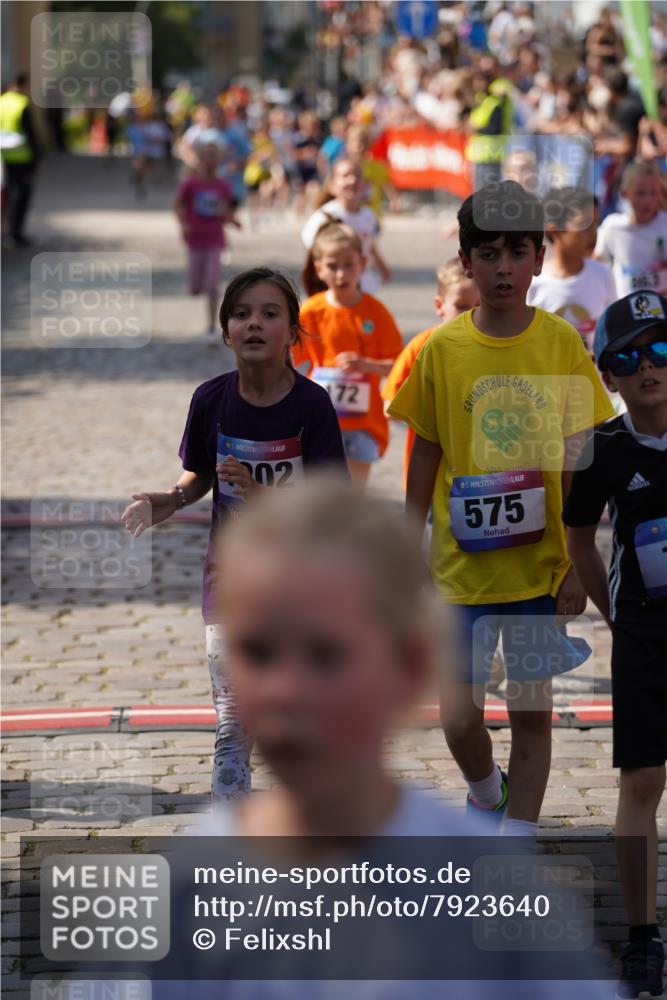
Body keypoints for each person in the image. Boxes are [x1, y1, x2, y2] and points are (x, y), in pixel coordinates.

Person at [152, 479, 615, 1000]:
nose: (287, 690)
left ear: (411, 667)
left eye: (327, 654)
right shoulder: (185, 891)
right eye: (257, 652)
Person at [388, 181, 615, 836]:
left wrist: (578, 560)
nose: (503, 268)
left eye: (517, 252)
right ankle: (486, 788)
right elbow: (424, 452)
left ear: (539, 259)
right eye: (487, 254)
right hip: (458, 572)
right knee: (459, 719)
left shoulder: (561, 346)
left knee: (530, 716)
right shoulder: (439, 351)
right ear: (465, 262)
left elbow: (579, 456)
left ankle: (513, 846)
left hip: (538, 572)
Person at [121, 268, 347, 802]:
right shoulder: (210, 400)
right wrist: (169, 501)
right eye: (242, 314)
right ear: (225, 331)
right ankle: (234, 829)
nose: (254, 324)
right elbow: (200, 473)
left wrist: (263, 495)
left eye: (270, 314)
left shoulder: (311, 406)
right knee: (232, 719)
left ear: (293, 332)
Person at [564, 290, 667, 1000]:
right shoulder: (597, 449)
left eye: (660, 349)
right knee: (640, 781)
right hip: (644, 633)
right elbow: (577, 538)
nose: (647, 369)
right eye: (627, 358)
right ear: (609, 377)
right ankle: (640, 936)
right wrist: (612, 613)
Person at [297, 223, 403, 489]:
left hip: (363, 423)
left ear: (363, 264)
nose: (341, 273)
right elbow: (290, 364)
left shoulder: (376, 313)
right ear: (318, 267)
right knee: (321, 495)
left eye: (349, 264)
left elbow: (399, 366)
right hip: (319, 421)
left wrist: (366, 365)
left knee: (353, 496)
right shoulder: (310, 312)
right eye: (333, 266)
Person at [383, 258, 479, 486]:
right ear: (439, 306)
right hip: (431, 477)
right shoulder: (422, 346)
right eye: (462, 306)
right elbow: (390, 408)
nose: (471, 315)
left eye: (479, 306)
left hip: (480, 476)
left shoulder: (496, 345)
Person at [528, 187, 617, 353]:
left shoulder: (603, 274)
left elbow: (613, 331)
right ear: (554, 230)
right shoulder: (532, 283)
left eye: (596, 224)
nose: (594, 233)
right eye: (585, 225)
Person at [173, 142, 237, 338]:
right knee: (195, 288)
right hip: (195, 240)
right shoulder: (190, 184)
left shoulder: (223, 185)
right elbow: (177, 205)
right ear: (198, 160)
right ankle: (197, 289)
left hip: (215, 240)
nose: (209, 161)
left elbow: (227, 210)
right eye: (205, 157)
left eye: (213, 157)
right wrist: (183, 224)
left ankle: (211, 326)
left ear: (219, 160)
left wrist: (232, 220)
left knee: (212, 284)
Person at [301, 158, 390, 294]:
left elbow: (368, 243)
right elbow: (313, 250)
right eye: (345, 176)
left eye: (357, 176)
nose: (352, 180)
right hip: (335, 282)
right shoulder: (324, 216)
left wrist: (381, 265)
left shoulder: (368, 215)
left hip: (362, 280)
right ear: (332, 185)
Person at [595, 160, 667, 297]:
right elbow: (596, 264)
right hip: (626, 311)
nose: (647, 200)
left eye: (653, 193)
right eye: (640, 193)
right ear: (624, 194)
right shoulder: (612, 226)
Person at [0, 72, 41, 246]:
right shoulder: (22, 104)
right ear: (24, 85)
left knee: (8, 194)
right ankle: (16, 233)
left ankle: (8, 231)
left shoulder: (2, 102)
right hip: (23, 157)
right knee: (21, 195)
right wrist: (37, 158)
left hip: (5, 155)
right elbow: (31, 134)